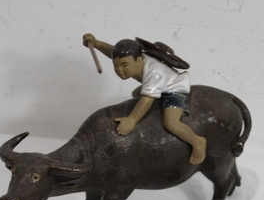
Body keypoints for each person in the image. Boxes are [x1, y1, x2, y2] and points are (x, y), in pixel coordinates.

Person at [82, 34, 207, 165]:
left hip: (173, 88)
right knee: (136, 93)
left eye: (124, 65)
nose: (119, 70)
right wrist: (97, 44)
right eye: (115, 65)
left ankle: (197, 142)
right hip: (160, 83)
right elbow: (114, 53)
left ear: (139, 61)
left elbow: (147, 98)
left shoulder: (154, 73)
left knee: (171, 123)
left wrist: (132, 119)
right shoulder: (134, 58)